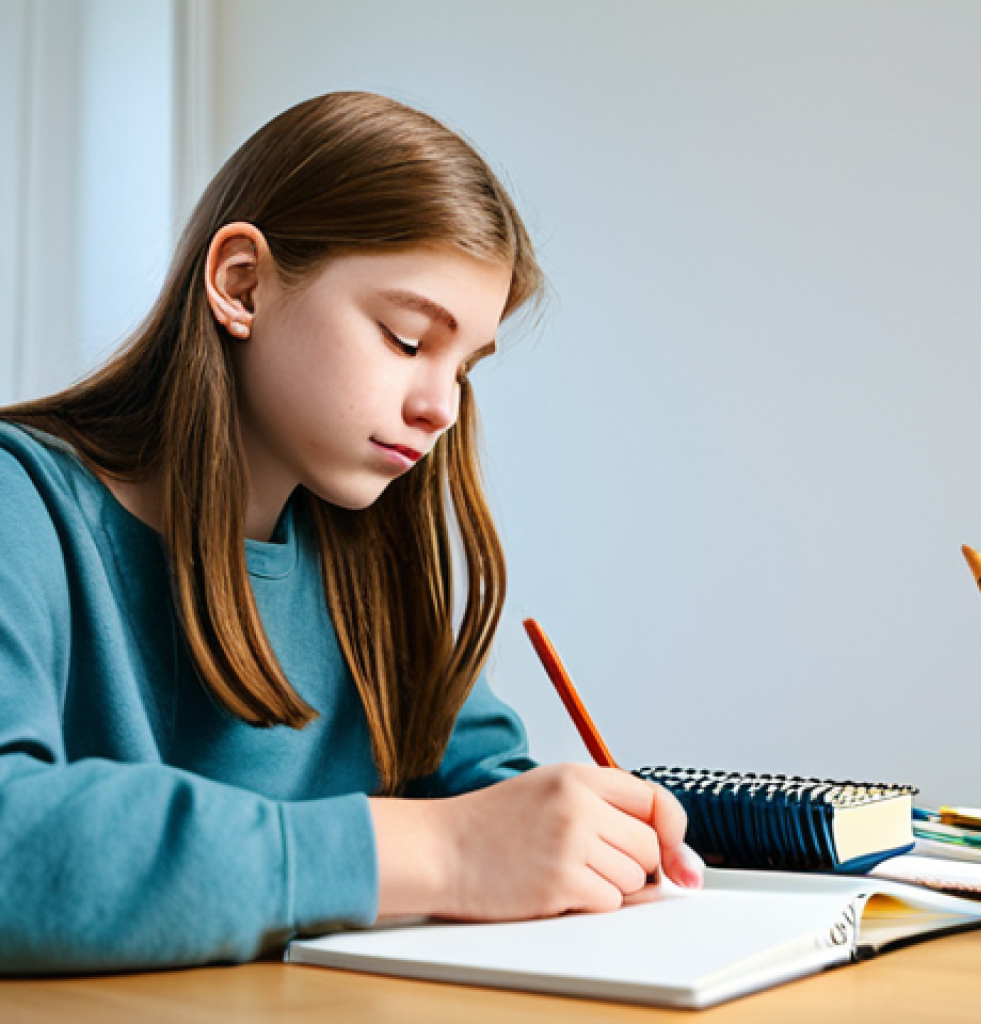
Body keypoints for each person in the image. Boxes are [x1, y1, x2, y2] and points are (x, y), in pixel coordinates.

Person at [0, 92, 702, 974]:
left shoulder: (369, 557)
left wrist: (574, 834)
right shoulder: (19, 506)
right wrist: (444, 853)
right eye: (408, 341)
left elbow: (479, 790)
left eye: (465, 369)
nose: (439, 406)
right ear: (241, 284)